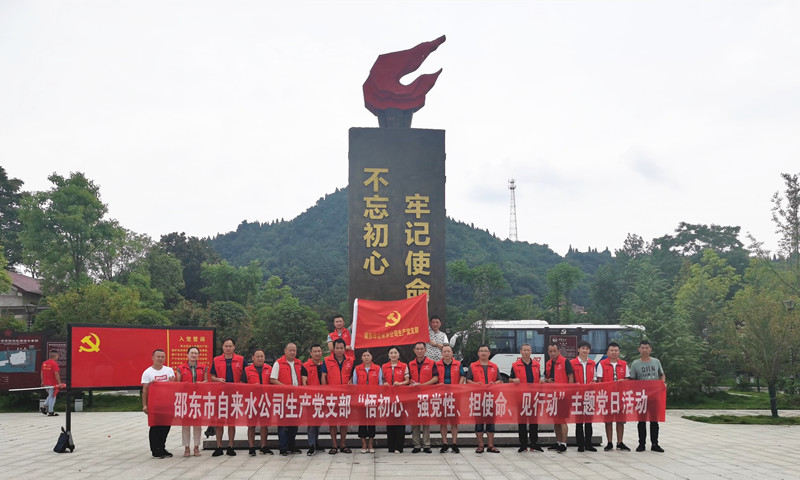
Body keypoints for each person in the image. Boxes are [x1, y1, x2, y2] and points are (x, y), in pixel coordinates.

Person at [209, 337, 246, 457]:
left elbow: (246, 375)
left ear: (234, 347)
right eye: (226, 346)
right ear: (222, 347)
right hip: (220, 395)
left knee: (231, 422)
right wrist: (218, 379)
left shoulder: (240, 359)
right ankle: (219, 446)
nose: (228, 348)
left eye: (230, 346)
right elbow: (212, 376)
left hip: (235, 395)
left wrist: (241, 384)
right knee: (219, 422)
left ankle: (231, 446)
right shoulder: (216, 360)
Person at [630, 340, 665, 453]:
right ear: (639, 349)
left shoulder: (656, 362)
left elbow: (661, 374)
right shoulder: (635, 364)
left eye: (647, 348)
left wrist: (662, 383)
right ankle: (641, 444)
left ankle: (655, 444)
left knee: (654, 421)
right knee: (641, 421)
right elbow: (632, 380)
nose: (645, 350)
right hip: (641, 397)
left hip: (655, 396)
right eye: (642, 348)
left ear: (650, 349)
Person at [466, 344, 502, 453]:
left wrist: (494, 383)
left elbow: (500, 380)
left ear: (489, 353)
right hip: (478, 398)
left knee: (491, 422)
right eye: (481, 351)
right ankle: (480, 445)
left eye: (485, 351)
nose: (483, 353)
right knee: (479, 422)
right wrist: (477, 384)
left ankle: (490, 445)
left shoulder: (494, 366)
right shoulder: (472, 366)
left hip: (491, 398)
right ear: (478, 353)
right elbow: (468, 381)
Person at [596, 341, 631, 452]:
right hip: (607, 397)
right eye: (612, 350)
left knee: (620, 420)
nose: (614, 352)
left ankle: (620, 442)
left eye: (616, 350)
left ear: (619, 352)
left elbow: (628, 379)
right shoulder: (602, 364)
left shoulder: (624, 364)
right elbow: (599, 380)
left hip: (620, 397)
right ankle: (609, 442)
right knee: (608, 420)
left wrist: (623, 381)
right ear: (607, 352)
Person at [141, 348, 176, 458]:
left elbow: (173, 384)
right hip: (155, 404)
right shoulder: (148, 372)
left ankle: (162, 447)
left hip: (168, 403)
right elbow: (145, 390)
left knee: (166, 426)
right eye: (158, 356)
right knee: (155, 427)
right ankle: (155, 450)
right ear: (153, 358)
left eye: (162, 357)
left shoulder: (169, 370)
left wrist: (171, 380)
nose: (160, 359)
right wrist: (145, 405)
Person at [509, 343, 543, 452]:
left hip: (534, 397)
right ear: (521, 351)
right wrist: (513, 380)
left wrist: (541, 382)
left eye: (528, 350)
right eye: (524, 350)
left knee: (534, 421)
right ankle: (523, 444)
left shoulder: (536, 365)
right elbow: (509, 379)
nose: (526, 352)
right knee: (522, 422)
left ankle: (534, 443)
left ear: (531, 351)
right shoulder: (515, 365)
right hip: (521, 397)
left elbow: (539, 379)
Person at [175, 346, 208, 457]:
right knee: (185, 424)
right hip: (185, 399)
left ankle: (196, 447)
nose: (194, 355)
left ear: (198, 355)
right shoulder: (181, 368)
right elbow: (177, 384)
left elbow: (206, 381)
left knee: (197, 424)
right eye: (192, 353)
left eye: (196, 353)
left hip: (198, 399)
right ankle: (186, 447)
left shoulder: (203, 368)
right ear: (187, 354)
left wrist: (202, 384)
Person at [271, 342, 303, 455]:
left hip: (296, 398)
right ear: (285, 351)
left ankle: (292, 446)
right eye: (290, 350)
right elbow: (273, 380)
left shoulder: (299, 363)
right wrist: (286, 388)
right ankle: (283, 447)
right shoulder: (278, 363)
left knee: (294, 424)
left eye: (294, 350)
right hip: (283, 399)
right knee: (283, 424)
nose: (292, 352)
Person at [324, 338, 355, 454]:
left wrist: (351, 381)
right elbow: (323, 376)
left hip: (345, 395)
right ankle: (334, 445)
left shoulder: (351, 360)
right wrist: (324, 391)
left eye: (341, 348)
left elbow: (353, 375)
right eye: (337, 348)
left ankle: (343, 444)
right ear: (334, 349)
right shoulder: (327, 360)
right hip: (331, 395)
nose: (339, 350)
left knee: (344, 421)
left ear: (344, 349)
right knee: (332, 420)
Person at [409, 341, 439, 453]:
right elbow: (409, 378)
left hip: (427, 395)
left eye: (422, 349)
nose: (420, 351)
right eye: (417, 349)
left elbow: (435, 378)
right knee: (415, 421)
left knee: (426, 421)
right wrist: (411, 383)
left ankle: (426, 445)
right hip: (414, 396)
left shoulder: (432, 363)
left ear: (425, 350)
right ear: (414, 350)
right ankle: (416, 445)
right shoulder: (411, 363)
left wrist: (422, 385)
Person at [543, 342, 574, 453]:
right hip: (552, 395)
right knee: (555, 420)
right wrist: (546, 381)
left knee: (562, 420)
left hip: (563, 395)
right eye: (550, 351)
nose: (552, 353)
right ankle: (558, 442)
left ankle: (564, 443)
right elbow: (546, 378)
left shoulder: (565, 362)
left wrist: (569, 392)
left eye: (554, 351)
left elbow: (571, 377)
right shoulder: (548, 363)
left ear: (559, 351)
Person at [434, 344, 464, 453]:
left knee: (454, 421)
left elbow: (462, 376)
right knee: (443, 421)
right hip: (441, 396)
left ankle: (454, 443)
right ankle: (445, 443)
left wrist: (458, 387)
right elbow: (434, 378)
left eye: (448, 351)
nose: (446, 353)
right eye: (444, 351)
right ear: (441, 353)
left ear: (452, 353)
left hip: (454, 396)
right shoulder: (437, 365)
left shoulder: (458, 364)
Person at [244, 349, 273, 456]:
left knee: (264, 425)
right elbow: (242, 385)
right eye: (257, 356)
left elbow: (273, 383)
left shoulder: (269, 368)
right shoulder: (247, 370)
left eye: (262, 356)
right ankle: (251, 447)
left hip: (265, 401)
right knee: (251, 425)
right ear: (253, 357)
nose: (260, 358)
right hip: (252, 402)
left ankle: (263, 446)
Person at [569, 340, 597, 452]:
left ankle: (588, 444)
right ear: (578, 350)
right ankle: (580, 445)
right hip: (578, 396)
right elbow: (570, 379)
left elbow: (595, 378)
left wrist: (593, 383)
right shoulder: (572, 363)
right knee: (579, 421)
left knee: (589, 421)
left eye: (587, 348)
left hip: (590, 395)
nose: (585, 350)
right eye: (582, 348)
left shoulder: (592, 363)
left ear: (589, 350)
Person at [381, 345, 409, 453]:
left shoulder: (403, 366)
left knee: (400, 422)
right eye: (391, 353)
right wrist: (385, 383)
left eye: (395, 353)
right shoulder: (384, 366)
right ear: (388, 355)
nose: (393, 355)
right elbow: (382, 380)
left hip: (401, 397)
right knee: (390, 421)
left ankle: (399, 446)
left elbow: (407, 380)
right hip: (388, 397)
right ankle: (391, 446)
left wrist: (400, 383)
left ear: (399, 354)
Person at [353, 349, 380, 454]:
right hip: (361, 398)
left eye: (368, 355)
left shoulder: (377, 368)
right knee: (362, 422)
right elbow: (355, 384)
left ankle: (371, 443)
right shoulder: (357, 369)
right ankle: (364, 443)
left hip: (373, 398)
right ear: (361, 357)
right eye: (364, 355)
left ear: (371, 357)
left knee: (372, 422)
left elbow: (380, 383)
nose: (366, 357)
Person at [302, 343, 327, 455]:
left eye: (319, 351)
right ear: (311, 353)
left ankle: (316, 443)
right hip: (311, 398)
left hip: (322, 397)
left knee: (318, 421)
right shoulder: (306, 365)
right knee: (311, 423)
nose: (317, 353)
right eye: (315, 351)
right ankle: (311, 445)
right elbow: (304, 382)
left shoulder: (324, 365)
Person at [40, 350, 61, 416]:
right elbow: (56, 373)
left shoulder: (44, 363)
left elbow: (42, 373)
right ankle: (50, 411)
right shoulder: (54, 364)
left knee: (50, 395)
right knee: (52, 396)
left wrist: (42, 381)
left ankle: (45, 407)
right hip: (53, 383)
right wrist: (59, 383)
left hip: (46, 383)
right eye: (58, 355)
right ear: (55, 356)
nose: (58, 357)